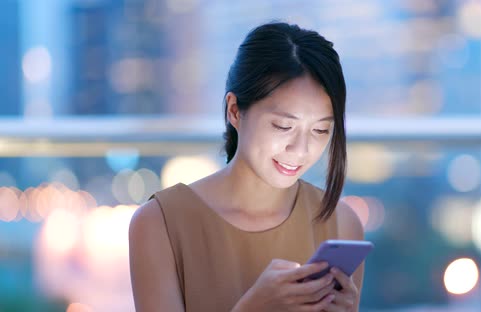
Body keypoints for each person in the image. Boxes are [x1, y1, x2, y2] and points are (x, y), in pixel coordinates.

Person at [128, 21, 365, 312]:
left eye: (320, 131)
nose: (301, 150)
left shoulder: (342, 222)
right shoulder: (160, 222)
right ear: (234, 111)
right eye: (283, 125)